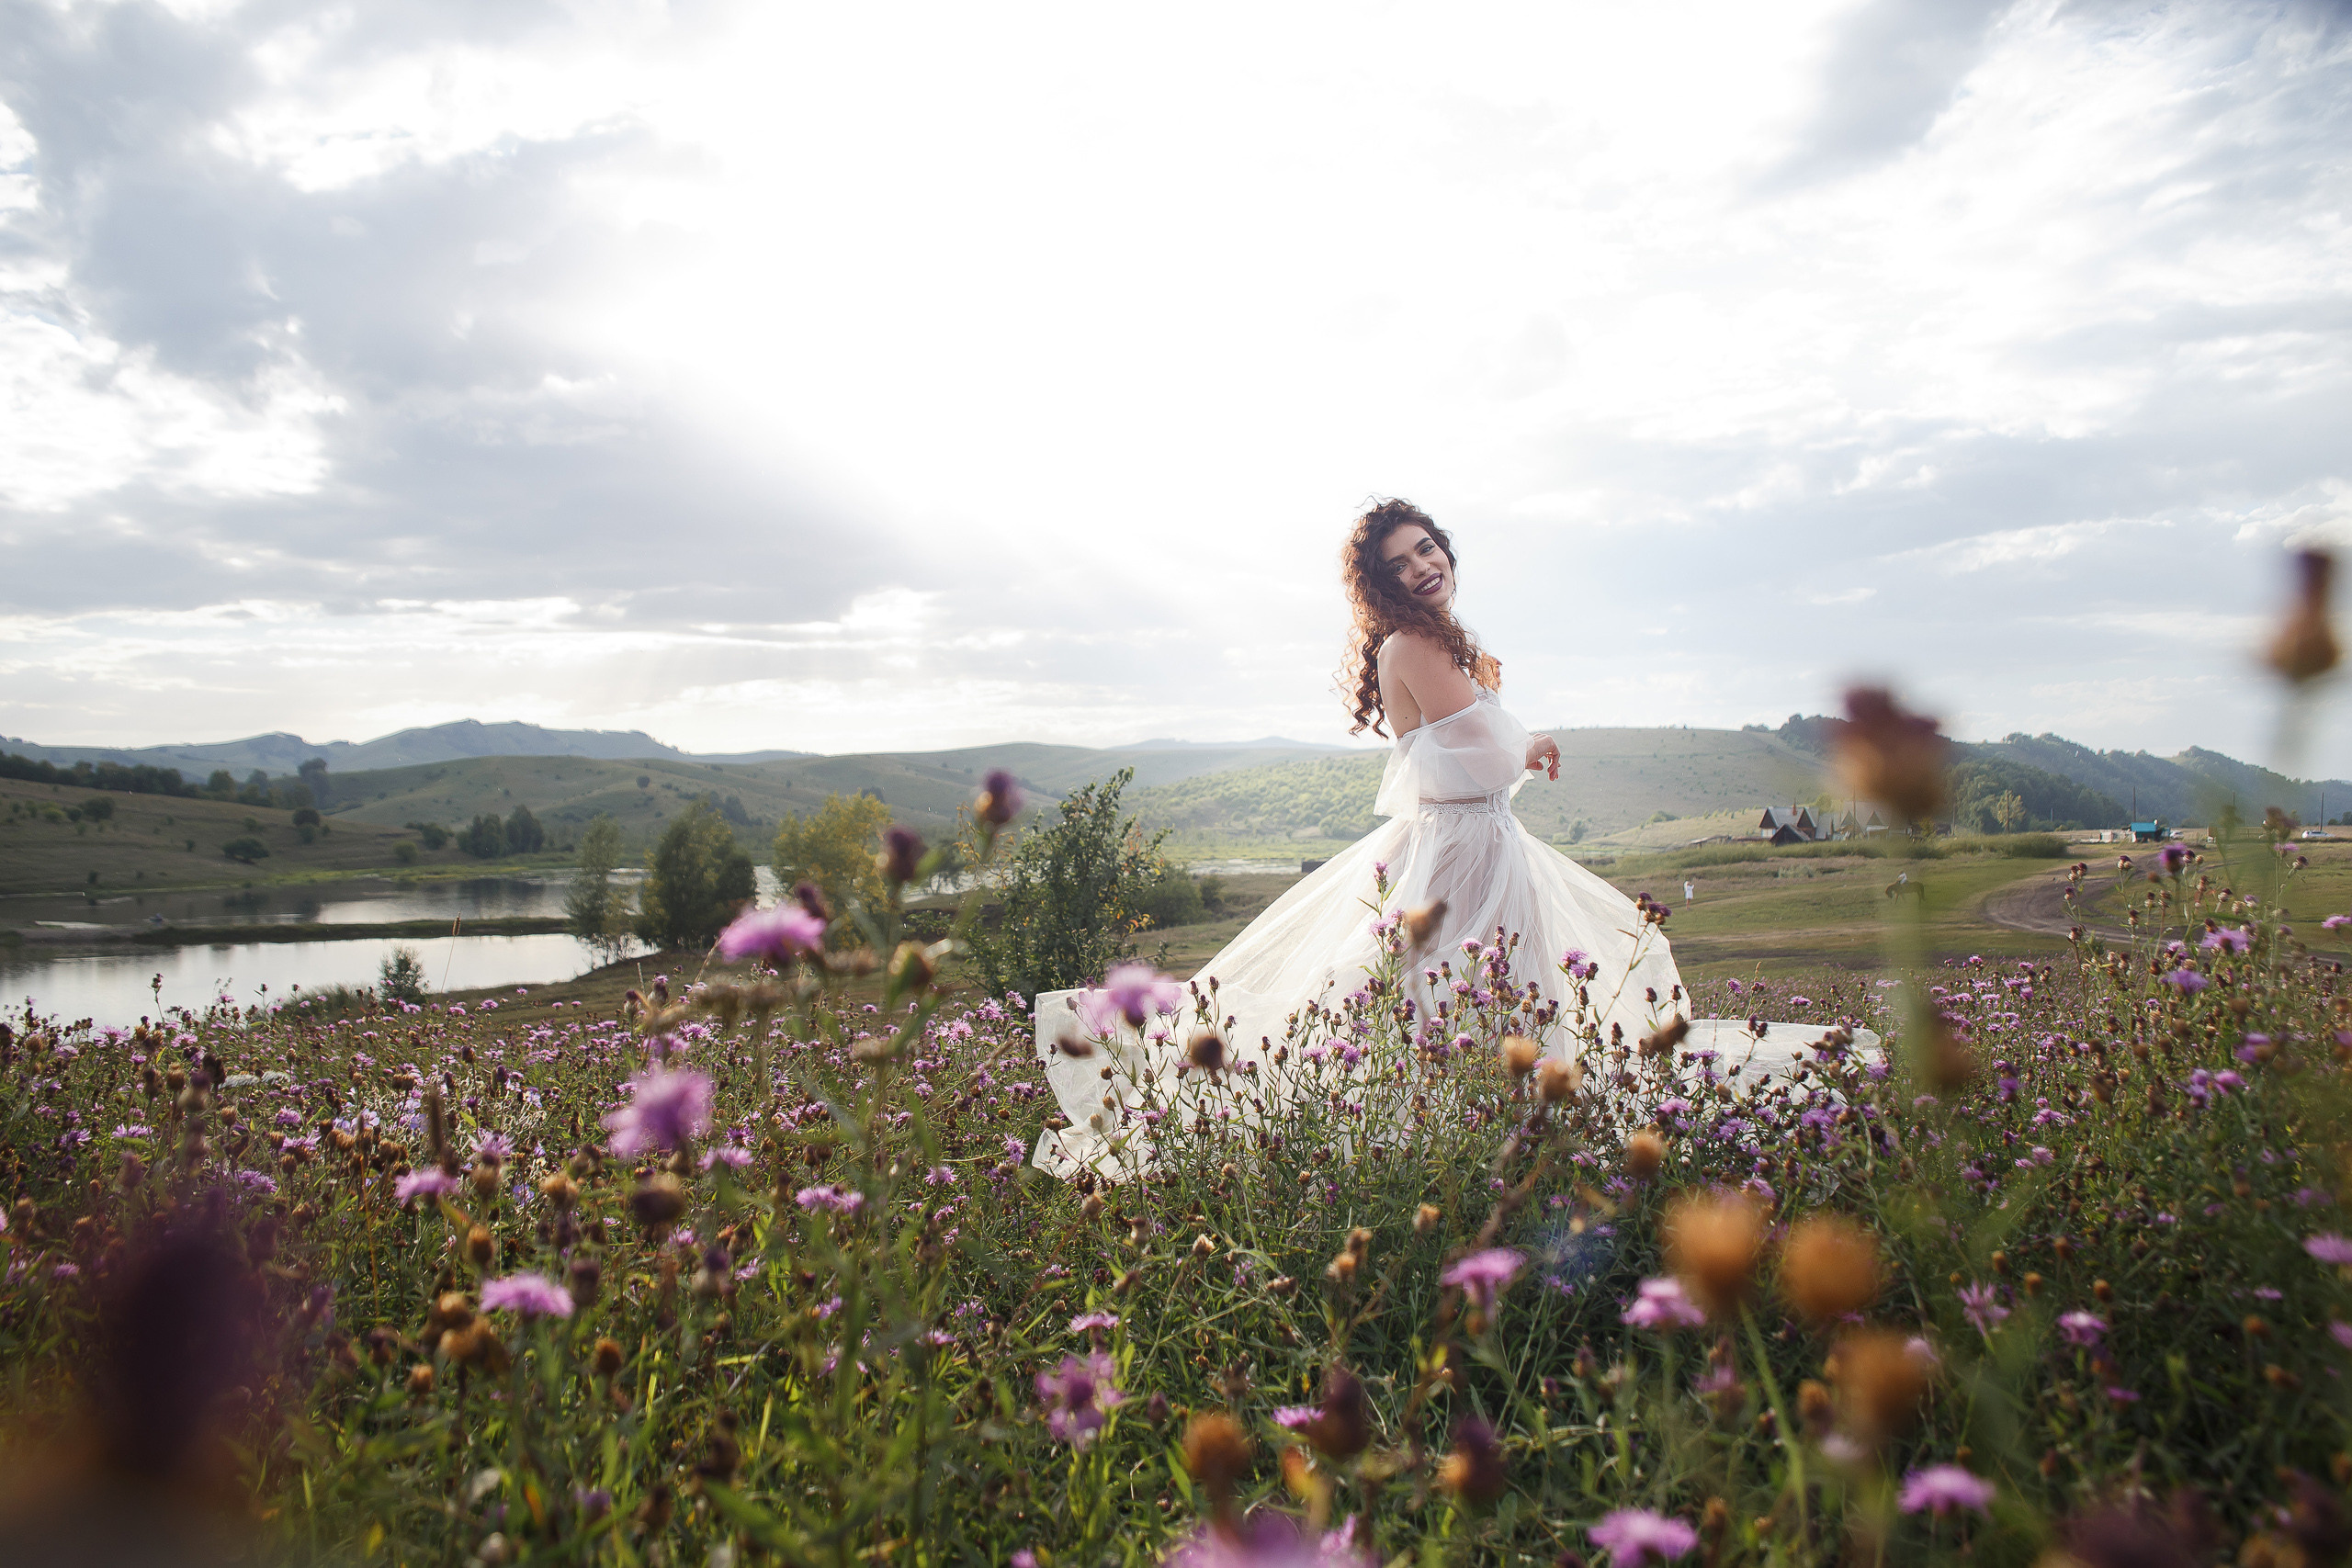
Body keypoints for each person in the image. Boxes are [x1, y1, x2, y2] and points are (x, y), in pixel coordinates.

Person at [1031, 499, 1857, 1178]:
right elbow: (1488, 757)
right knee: (1477, 995)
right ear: (1383, 584)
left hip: (1465, 840)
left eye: (1429, 549)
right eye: (1402, 563)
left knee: (1459, 998)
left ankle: (1491, 1143)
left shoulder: (1424, 642)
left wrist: (1518, 749)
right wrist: (1525, 747)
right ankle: (1502, 1148)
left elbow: (1462, 751)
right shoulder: (1418, 641)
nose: (1425, 566)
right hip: (1469, 851)